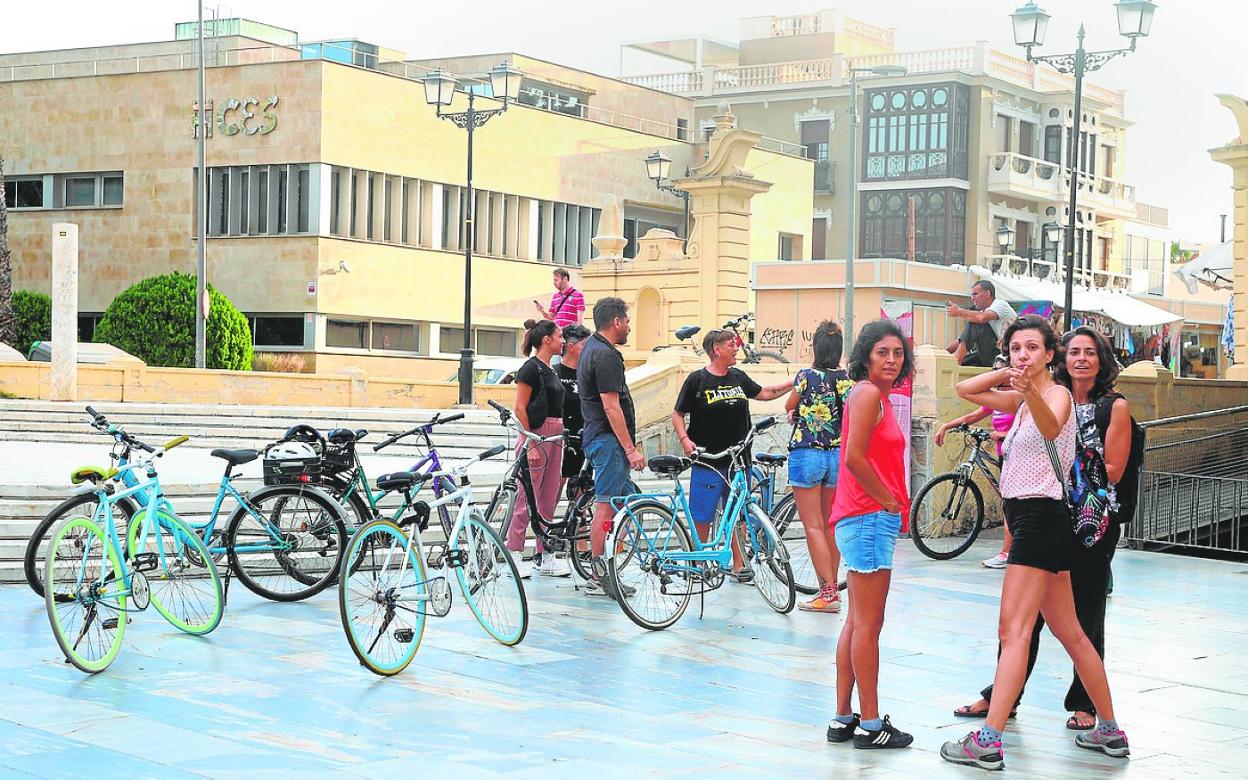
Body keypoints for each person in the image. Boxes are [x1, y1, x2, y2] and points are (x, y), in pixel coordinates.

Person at [941, 315, 1127, 771]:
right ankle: (1110, 730)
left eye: (1033, 348)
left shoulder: (1056, 394)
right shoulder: (1022, 397)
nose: (1024, 355)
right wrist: (1010, 374)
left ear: (1051, 354)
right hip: (1032, 518)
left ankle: (988, 740)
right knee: (1071, 632)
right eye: (1017, 347)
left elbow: (1051, 427)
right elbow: (966, 390)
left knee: (1014, 632)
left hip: (1040, 521)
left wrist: (1029, 388)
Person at [825, 319, 915, 751]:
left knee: (857, 623)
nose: (892, 361)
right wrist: (891, 501)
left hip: (861, 517)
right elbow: (855, 459)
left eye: (897, 353)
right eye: (883, 352)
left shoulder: (874, 397)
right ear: (865, 356)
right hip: (867, 517)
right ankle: (871, 722)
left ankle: (844, 718)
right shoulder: (865, 394)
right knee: (869, 627)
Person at [672, 328, 791, 582]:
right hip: (709, 461)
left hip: (739, 460)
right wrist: (685, 440)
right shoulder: (697, 380)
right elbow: (678, 414)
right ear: (716, 350)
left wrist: (793, 383)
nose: (737, 348)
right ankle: (698, 562)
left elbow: (766, 393)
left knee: (738, 512)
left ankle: (739, 564)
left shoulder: (738, 376)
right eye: (731, 344)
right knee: (702, 514)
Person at [578, 297, 645, 598]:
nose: (629, 326)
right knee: (605, 506)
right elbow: (611, 406)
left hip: (602, 439)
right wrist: (630, 449)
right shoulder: (605, 356)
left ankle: (610, 565)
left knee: (627, 502)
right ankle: (600, 575)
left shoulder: (592, 349)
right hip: (608, 441)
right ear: (616, 321)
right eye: (627, 320)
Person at [784, 320, 851, 612]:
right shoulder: (847, 379)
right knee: (829, 526)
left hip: (806, 453)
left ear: (816, 347)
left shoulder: (806, 375)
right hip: (836, 457)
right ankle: (832, 588)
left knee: (812, 526)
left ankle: (828, 594)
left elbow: (790, 404)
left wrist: (797, 412)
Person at [934, 354, 1016, 569]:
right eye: (995, 370)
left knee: (1008, 504)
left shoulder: (1019, 397)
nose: (996, 374)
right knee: (1006, 502)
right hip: (1004, 455)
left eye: (1001, 370)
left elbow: (1030, 423)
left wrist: (1006, 433)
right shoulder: (996, 398)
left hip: (1017, 456)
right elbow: (973, 416)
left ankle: (1007, 552)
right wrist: (946, 426)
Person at [506, 320, 568, 579]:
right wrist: (530, 441)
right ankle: (515, 553)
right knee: (524, 496)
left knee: (549, 496)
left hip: (555, 434)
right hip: (536, 434)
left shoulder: (551, 369)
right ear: (546, 340)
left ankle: (545, 555)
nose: (563, 340)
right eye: (559, 336)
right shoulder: (530, 369)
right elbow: (520, 408)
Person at [948, 281, 1017, 368]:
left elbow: (981, 318)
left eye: (975, 294)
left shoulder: (1000, 304)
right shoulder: (982, 313)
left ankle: (957, 358)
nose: (972, 299)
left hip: (1006, 355)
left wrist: (958, 311)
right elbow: (962, 339)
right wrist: (945, 352)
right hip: (991, 354)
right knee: (965, 362)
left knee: (976, 320)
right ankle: (955, 360)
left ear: (987, 294)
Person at [557, 324, 592, 486]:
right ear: (571, 347)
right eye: (584, 345)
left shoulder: (589, 374)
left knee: (581, 492)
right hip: (559, 440)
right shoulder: (554, 373)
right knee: (553, 490)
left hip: (584, 439)